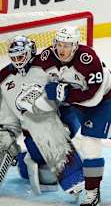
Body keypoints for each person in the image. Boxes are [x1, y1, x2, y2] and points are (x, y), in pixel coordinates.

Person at [37, 27, 111, 206]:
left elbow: (92, 97)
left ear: (75, 46)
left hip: (102, 99)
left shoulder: (88, 59)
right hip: (76, 100)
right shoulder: (46, 57)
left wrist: (64, 95)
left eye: (67, 45)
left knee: (90, 140)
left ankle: (92, 192)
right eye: (59, 45)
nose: (62, 50)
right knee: (99, 129)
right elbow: (36, 75)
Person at [0, 35, 84, 196]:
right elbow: (7, 117)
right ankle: (27, 162)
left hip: (63, 116)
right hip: (32, 132)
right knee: (40, 166)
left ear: (30, 52)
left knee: (46, 130)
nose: (18, 60)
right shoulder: (4, 78)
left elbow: (73, 91)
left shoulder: (47, 64)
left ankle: (74, 178)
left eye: (21, 55)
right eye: (14, 57)